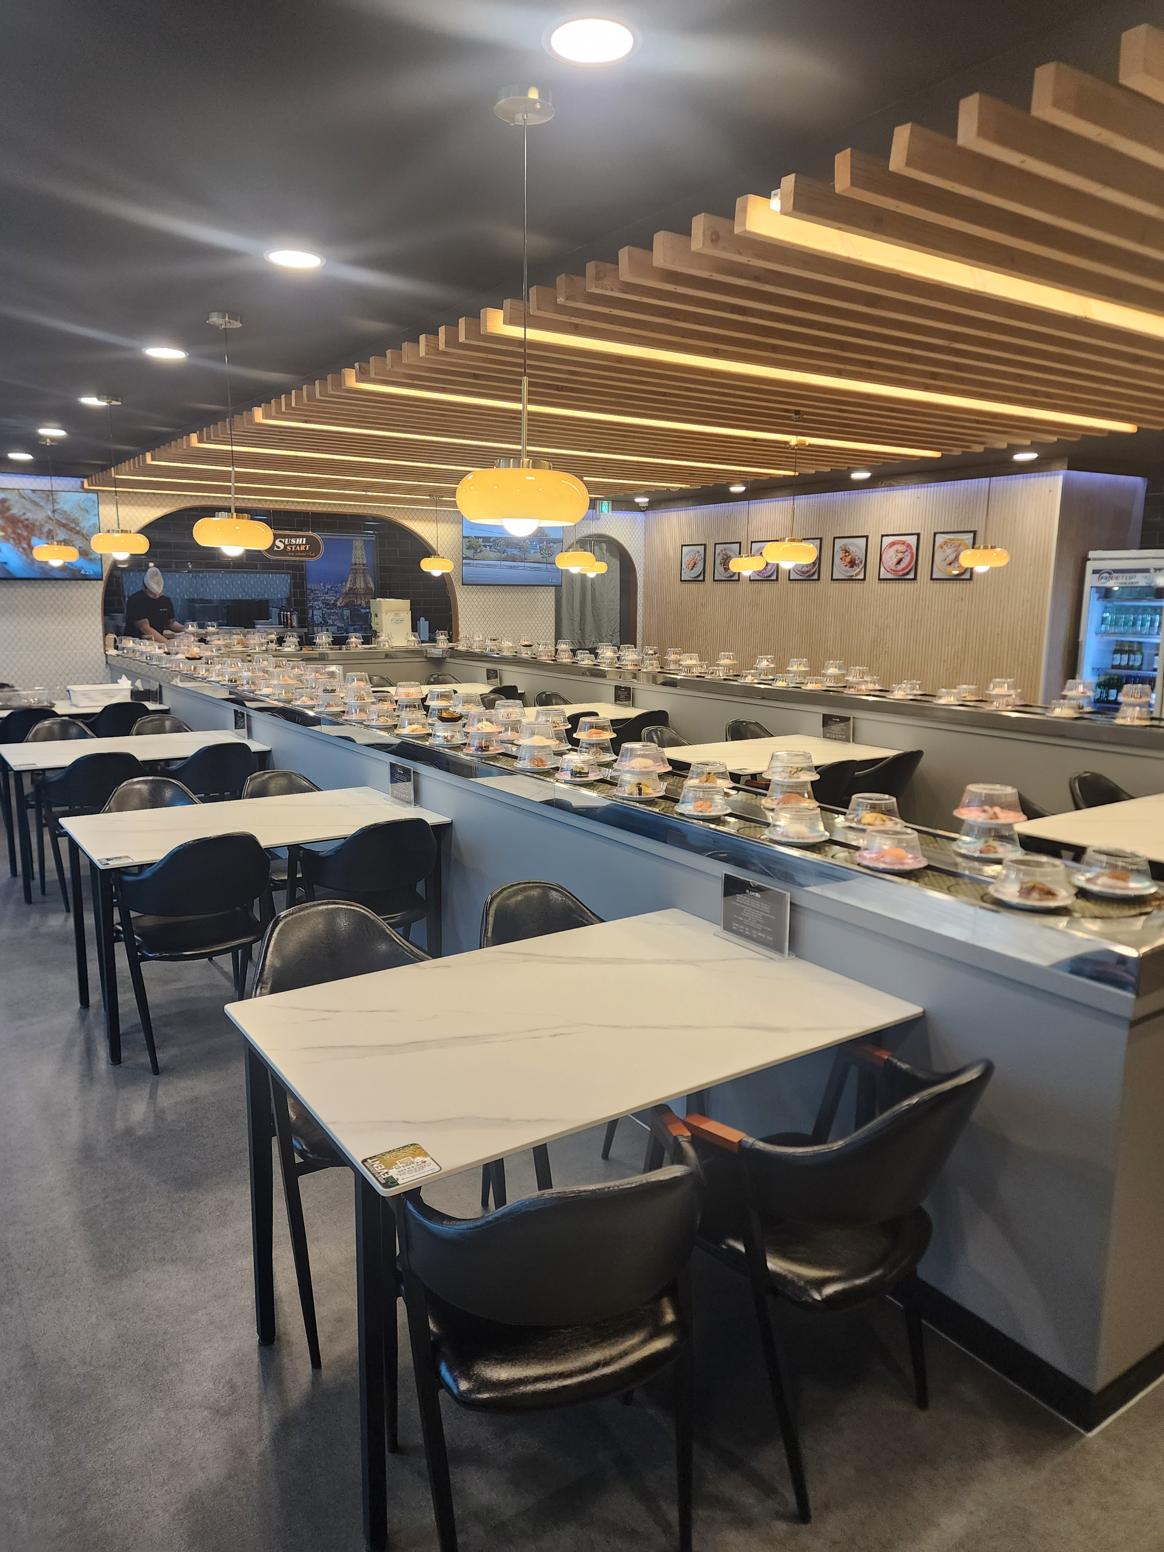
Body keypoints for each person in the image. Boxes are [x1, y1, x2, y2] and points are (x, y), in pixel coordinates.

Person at [124, 567, 182, 643]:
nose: (156, 596)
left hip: (158, 643)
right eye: (152, 593)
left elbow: (171, 623)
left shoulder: (165, 601)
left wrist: (186, 629)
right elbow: (145, 628)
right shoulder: (136, 600)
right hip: (136, 644)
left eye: (159, 593)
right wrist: (168, 644)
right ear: (144, 588)